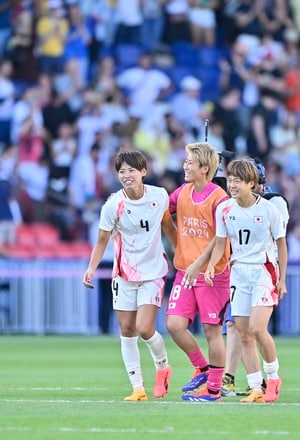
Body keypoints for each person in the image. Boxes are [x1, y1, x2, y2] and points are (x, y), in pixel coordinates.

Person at [82, 150, 177, 401]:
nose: (126, 175)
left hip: (154, 272)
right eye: (122, 171)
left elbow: (169, 227)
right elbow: (102, 240)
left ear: (143, 171)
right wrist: (91, 268)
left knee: (145, 328)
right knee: (126, 329)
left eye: (131, 170)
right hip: (124, 274)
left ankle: (162, 368)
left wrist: (183, 256)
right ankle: (137, 388)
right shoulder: (113, 204)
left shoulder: (159, 196)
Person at [202, 159, 287, 403]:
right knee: (243, 332)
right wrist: (210, 266)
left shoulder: (269, 209)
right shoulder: (225, 209)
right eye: (230, 180)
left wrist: (281, 279)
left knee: (257, 328)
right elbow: (221, 243)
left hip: (263, 270)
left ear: (252, 183)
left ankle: (273, 379)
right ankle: (255, 387)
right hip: (238, 273)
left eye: (237, 181)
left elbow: (281, 245)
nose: (232, 185)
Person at [166, 142, 230, 402]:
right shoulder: (182, 192)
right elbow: (162, 212)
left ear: (205, 168)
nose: (185, 166)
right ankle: (202, 368)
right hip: (185, 271)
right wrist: (176, 243)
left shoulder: (220, 199)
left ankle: (214, 390)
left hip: (212, 273)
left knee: (211, 330)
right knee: (174, 324)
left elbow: (221, 238)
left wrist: (202, 264)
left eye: (190, 162)